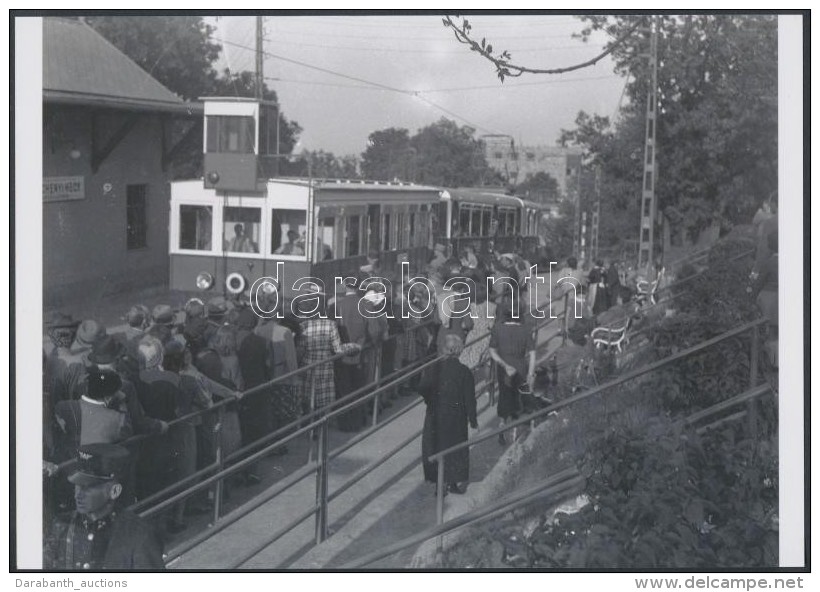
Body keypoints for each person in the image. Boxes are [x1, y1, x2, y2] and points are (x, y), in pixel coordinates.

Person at [44, 443, 165, 570]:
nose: (78, 495)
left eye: (88, 487)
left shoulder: (138, 534)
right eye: (78, 486)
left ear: (114, 491)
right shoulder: (62, 526)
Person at [418, 334, 478, 495]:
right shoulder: (464, 372)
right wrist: (473, 421)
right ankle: (452, 483)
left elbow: (422, 387)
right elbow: (470, 399)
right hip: (456, 417)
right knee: (454, 448)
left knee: (436, 447)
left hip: (435, 415)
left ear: (444, 349)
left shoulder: (434, 369)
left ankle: (439, 484)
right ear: (459, 351)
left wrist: (430, 400)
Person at [296, 292, 360, 414]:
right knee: (323, 404)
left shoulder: (303, 326)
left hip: (308, 367)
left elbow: (300, 350)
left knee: (307, 402)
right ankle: (321, 431)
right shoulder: (331, 325)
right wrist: (355, 346)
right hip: (325, 367)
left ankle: (309, 430)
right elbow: (338, 349)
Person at [488, 296, 536, 445]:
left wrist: (503, 364)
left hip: (504, 369)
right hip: (521, 366)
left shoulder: (497, 328)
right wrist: (530, 373)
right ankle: (517, 429)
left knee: (504, 395)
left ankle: (501, 428)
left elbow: (492, 351)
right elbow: (533, 354)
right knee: (520, 396)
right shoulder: (526, 329)